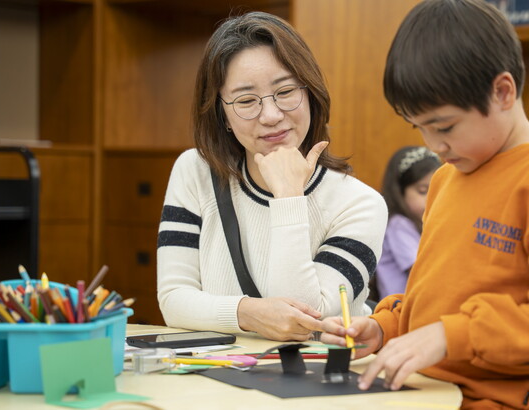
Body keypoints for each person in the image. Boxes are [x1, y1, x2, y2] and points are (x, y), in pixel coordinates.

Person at [320, 1, 529, 408]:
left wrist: (450, 336)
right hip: (429, 393)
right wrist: (386, 327)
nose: (433, 145)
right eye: (418, 128)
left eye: (444, 127)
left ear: (503, 92)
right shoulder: (444, 180)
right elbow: (436, 302)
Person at [156, 12, 387, 342]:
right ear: (222, 115)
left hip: (316, 384)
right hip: (221, 378)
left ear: (311, 92)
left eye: (286, 91)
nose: (271, 115)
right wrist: (249, 313)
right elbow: (173, 301)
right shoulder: (194, 171)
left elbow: (305, 318)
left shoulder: (360, 204)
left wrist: (289, 197)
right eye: (247, 101)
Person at [375, 146, 440, 300]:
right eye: (423, 191)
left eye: (437, 190)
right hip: (399, 312)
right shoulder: (398, 225)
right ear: (400, 191)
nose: (431, 198)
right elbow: (423, 272)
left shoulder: (425, 223)